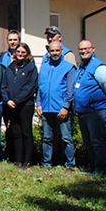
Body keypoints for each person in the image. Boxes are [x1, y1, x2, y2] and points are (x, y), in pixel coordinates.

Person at [74, 40, 106, 175]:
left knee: (97, 141)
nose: (83, 51)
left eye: (86, 48)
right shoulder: (81, 67)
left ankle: (101, 168)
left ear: (93, 49)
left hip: (96, 110)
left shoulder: (98, 66)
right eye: (81, 49)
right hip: (83, 110)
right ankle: (92, 166)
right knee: (88, 141)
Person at [37, 40, 76, 170]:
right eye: (52, 51)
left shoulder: (68, 67)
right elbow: (39, 87)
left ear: (61, 51)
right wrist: (38, 103)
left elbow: (70, 91)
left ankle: (70, 164)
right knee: (47, 138)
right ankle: (46, 162)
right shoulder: (44, 67)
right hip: (46, 108)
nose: (54, 53)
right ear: (48, 51)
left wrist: (66, 107)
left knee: (66, 138)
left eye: (57, 50)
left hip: (61, 109)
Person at [1, 42, 39, 168]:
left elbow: (30, 87)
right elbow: (4, 86)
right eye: (18, 52)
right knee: (16, 133)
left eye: (23, 52)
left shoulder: (31, 68)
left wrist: (17, 100)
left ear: (27, 53)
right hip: (11, 106)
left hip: (25, 106)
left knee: (26, 133)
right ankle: (18, 160)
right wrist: (7, 100)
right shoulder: (10, 68)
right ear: (15, 53)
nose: (21, 54)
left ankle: (27, 159)